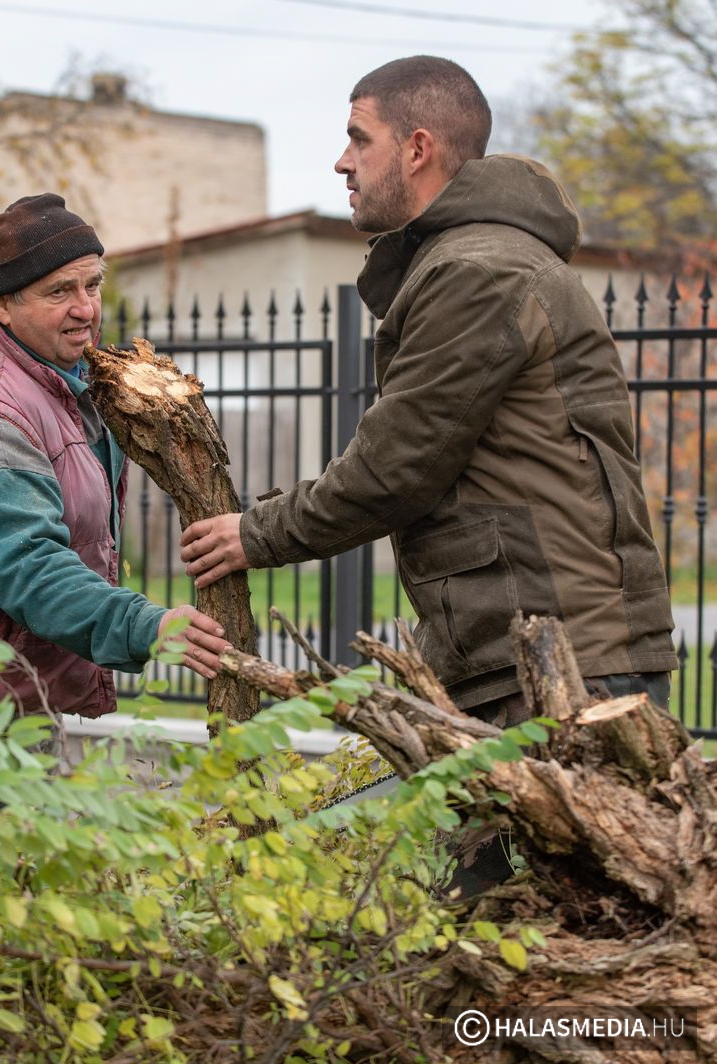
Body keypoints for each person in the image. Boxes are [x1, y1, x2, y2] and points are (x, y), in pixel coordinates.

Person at [180, 55, 677, 726]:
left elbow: (395, 468)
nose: (342, 163)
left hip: (564, 663)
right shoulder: (473, 261)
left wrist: (255, 532)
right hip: (536, 652)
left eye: (360, 139)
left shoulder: (479, 272)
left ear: (417, 150)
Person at [0, 193, 229, 744]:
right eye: (59, 291)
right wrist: (146, 626)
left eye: (92, 285)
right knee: (0, 804)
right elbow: (29, 566)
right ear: (3, 305)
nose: (86, 309)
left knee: (33, 796)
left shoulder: (36, 362)